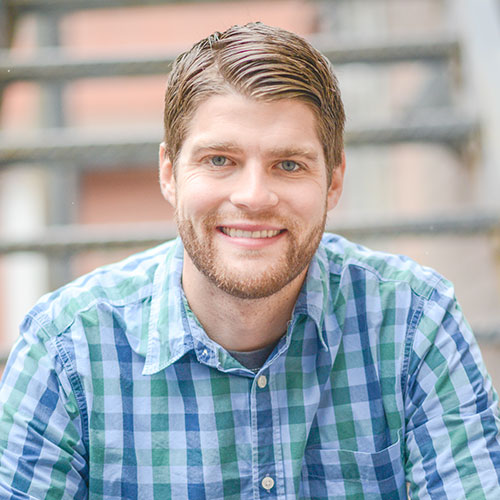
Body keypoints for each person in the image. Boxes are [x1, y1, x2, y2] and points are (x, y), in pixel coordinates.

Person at [0, 22, 499, 500]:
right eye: (220, 160)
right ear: (169, 173)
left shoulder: (414, 322)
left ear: (333, 181)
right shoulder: (66, 350)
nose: (254, 196)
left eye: (289, 164)